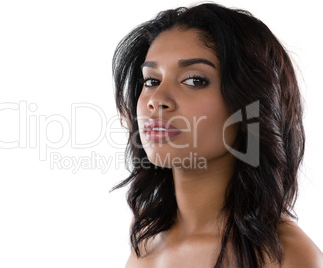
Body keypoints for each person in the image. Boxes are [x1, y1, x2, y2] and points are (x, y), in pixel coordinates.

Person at [112, 3, 322, 267]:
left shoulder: (287, 257)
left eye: (195, 80)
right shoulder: (146, 236)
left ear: (249, 107)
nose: (156, 100)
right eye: (151, 80)